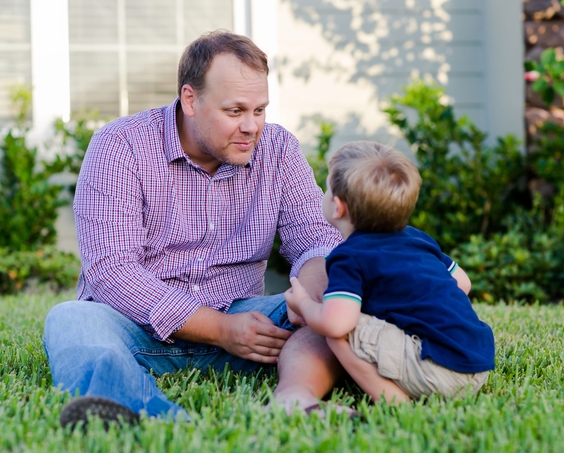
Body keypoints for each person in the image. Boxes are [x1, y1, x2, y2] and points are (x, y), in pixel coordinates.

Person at [43, 30, 345, 428]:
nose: (252, 127)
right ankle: (154, 421)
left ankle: (295, 397)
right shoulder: (121, 145)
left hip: (250, 328)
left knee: (344, 302)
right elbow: (112, 271)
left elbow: (316, 240)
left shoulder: (279, 149)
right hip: (136, 330)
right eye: (235, 111)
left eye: (259, 110)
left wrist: (314, 301)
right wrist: (219, 329)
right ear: (190, 100)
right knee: (71, 320)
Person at [284, 141, 495, 404]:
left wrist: (302, 303)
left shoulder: (349, 256)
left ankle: (394, 402)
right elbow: (462, 283)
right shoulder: (418, 238)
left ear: (338, 206)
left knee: (337, 331)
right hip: (477, 364)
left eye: (326, 188)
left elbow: (335, 323)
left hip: (439, 372)